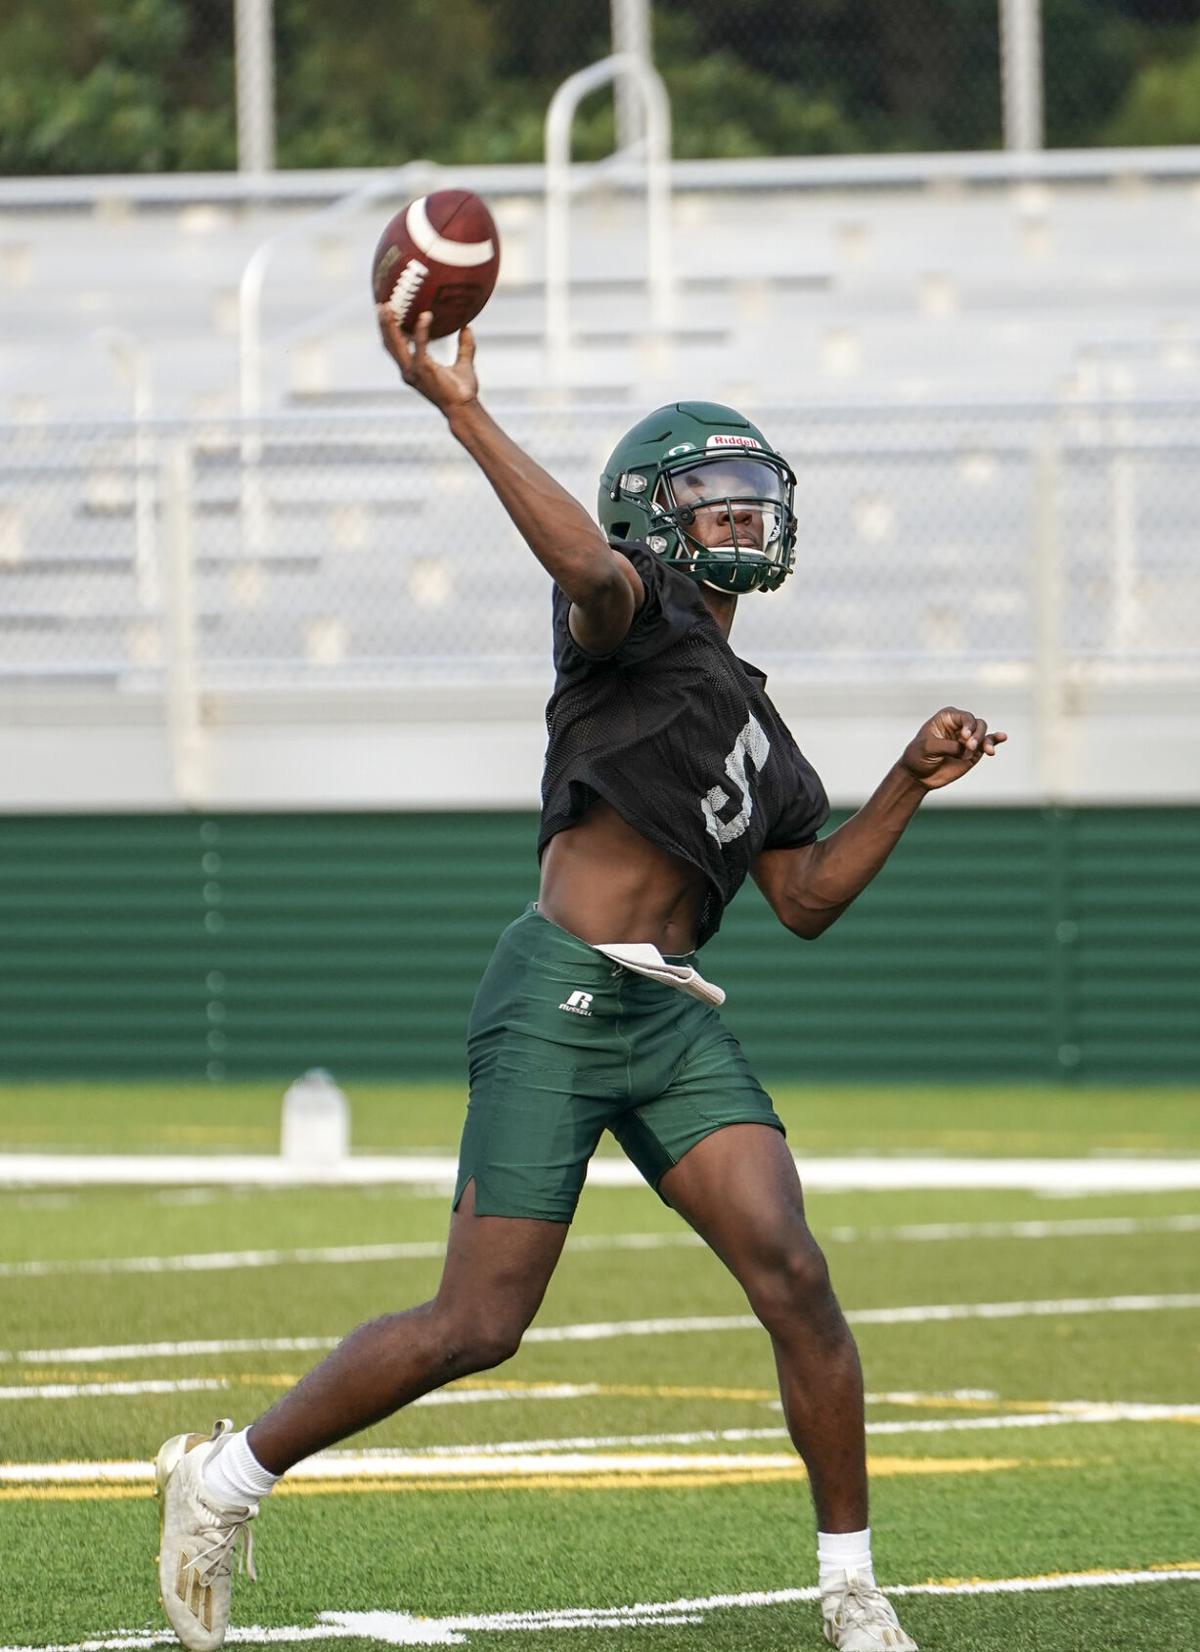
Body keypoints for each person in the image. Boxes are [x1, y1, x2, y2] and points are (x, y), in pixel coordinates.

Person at [155, 309, 1007, 1652]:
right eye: (712, 504)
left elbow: (806, 900)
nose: (739, 521)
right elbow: (579, 563)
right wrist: (460, 408)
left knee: (794, 1271)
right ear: (651, 521)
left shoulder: (766, 729)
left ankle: (851, 1588)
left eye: (752, 502)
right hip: (558, 989)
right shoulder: (629, 612)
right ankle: (225, 1476)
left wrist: (907, 780)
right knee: (475, 1325)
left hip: (670, 1019)